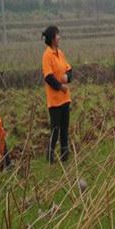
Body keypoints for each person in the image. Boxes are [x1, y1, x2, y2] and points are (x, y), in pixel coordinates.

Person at [42, 25, 72, 163]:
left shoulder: (60, 53)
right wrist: (60, 87)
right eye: (57, 35)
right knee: (55, 130)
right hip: (54, 101)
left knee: (65, 128)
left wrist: (67, 77)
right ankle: (50, 157)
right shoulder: (47, 55)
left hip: (65, 99)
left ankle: (65, 156)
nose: (59, 37)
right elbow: (48, 77)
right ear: (52, 38)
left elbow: (69, 69)